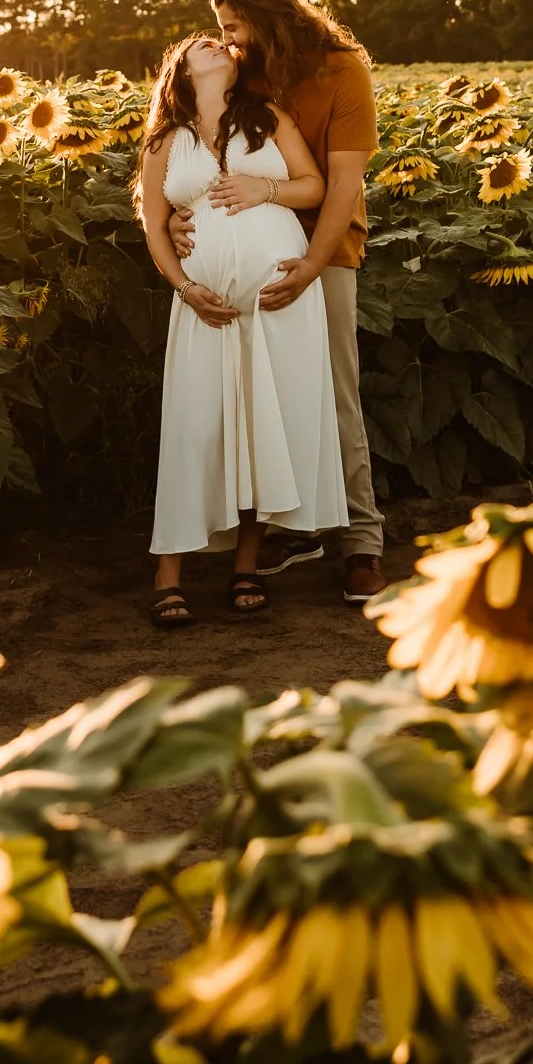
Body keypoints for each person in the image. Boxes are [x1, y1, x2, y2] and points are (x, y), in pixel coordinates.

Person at [168, 0, 385, 605]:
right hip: (247, 255)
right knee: (262, 396)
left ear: (264, 14)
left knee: (334, 388)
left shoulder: (342, 69)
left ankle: (362, 543)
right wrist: (182, 215)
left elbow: (341, 185)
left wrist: (313, 267)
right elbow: (204, 149)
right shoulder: (250, 74)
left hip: (326, 248)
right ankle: (291, 528)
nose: (226, 38)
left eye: (233, 24)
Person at [136, 33, 350, 628]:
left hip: (278, 301)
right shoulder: (164, 142)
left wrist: (266, 189)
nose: (216, 44)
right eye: (201, 42)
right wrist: (184, 285)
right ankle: (168, 573)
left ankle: (246, 566)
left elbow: (313, 185)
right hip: (205, 305)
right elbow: (155, 226)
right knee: (195, 426)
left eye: (221, 40)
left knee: (262, 426)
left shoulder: (267, 119)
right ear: (179, 69)